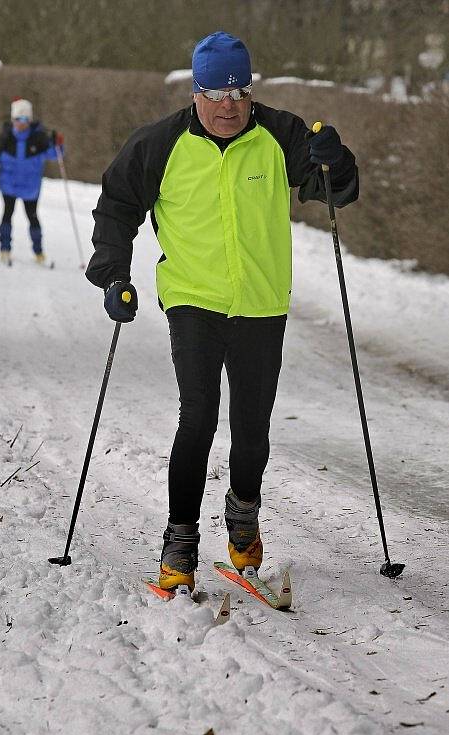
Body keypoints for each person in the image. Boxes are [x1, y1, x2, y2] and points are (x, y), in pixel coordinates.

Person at [86, 31, 359, 592]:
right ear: (196, 92)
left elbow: (334, 190)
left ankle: (242, 520)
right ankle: (179, 544)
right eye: (216, 91)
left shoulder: (280, 133)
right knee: (199, 418)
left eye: (240, 90)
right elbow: (117, 206)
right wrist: (114, 275)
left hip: (261, 304)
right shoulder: (159, 145)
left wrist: (337, 161)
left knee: (252, 429)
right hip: (194, 301)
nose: (230, 104)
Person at [0, 98, 64, 265]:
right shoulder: (5, 137)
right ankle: (5, 249)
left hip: (30, 188)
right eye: (18, 119)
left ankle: (39, 253)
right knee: (7, 214)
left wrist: (58, 145)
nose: (22, 123)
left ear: (30, 120)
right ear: (13, 120)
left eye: (25, 119)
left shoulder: (39, 138)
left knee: (33, 218)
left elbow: (56, 155)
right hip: (9, 185)